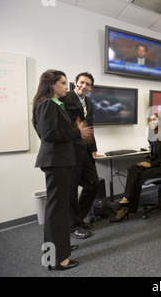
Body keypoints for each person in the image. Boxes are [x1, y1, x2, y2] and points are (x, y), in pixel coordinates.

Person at [32, 69, 93, 270]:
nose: (67, 87)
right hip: (56, 162)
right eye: (63, 83)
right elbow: (49, 134)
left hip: (60, 161)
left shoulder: (55, 105)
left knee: (58, 210)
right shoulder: (47, 104)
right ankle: (55, 259)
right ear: (51, 84)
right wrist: (77, 131)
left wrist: (76, 132)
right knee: (55, 212)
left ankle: (60, 247)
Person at [59, 72, 101, 239]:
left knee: (94, 184)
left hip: (85, 151)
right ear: (75, 82)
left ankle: (78, 218)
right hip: (70, 152)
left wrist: (93, 148)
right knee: (71, 190)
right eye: (82, 82)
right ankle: (74, 225)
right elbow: (64, 124)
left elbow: (89, 126)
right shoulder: (65, 98)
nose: (84, 86)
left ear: (91, 87)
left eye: (88, 84)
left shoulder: (88, 101)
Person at [110, 113, 161, 222]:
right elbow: (155, 156)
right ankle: (125, 202)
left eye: (154, 119)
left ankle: (125, 207)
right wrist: (146, 162)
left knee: (139, 176)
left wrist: (149, 165)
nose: (152, 122)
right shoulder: (154, 136)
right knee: (133, 168)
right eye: (150, 120)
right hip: (156, 165)